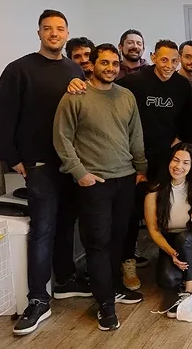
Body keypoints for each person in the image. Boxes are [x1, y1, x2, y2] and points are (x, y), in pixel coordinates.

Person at [0, 10, 89, 335]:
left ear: (66, 33)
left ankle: (64, 279)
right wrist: (13, 159)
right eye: (48, 29)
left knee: (66, 225)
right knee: (43, 230)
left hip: (70, 163)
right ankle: (38, 299)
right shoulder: (19, 70)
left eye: (59, 29)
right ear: (38, 33)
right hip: (38, 165)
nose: (54, 34)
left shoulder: (74, 69)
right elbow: (2, 118)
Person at [53, 43, 147, 331]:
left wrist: (141, 168)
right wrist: (79, 173)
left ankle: (115, 287)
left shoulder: (126, 96)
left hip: (125, 179)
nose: (110, 68)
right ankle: (105, 304)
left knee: (118, 239)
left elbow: (135, 135)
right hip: (94, 183)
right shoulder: (75, 97)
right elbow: (62, 138)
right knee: (97, 243)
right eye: (104, 63)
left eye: (114, 64)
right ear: (91, 65)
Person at [116, 40, 192, 290]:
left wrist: (177, 142)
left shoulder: (182, 85)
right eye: (163, 60)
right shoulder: (134, 82)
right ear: (152, 57)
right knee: (130, 213)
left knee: (166, 209)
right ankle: (127, 261)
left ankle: (169, 254)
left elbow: (186, 120)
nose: (169, 65)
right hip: (134, 159)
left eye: (174, 61)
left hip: (167, 161)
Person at [144, 143, 192, 318]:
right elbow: (154, 230)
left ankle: (190, 290)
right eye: (175, 160)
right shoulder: (154, 192)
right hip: (170, 242)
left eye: (186, 163)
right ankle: (190, 274)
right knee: (167, 280)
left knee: (185, 237)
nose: (179, 167)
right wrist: (171, 253)